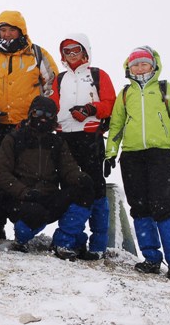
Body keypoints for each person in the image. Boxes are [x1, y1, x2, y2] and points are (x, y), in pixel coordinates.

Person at [0, 10, 59, 240]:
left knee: (26, 174)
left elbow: (53, 85)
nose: (7, 34)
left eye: (12, 29)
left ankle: (22, 224)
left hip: (29, 127)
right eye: (3, 30)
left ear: (21, 31)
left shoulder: (37, 54)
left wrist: (42, 116)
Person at [104, 46, 170, 281]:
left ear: (153, 65)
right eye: (135, 64)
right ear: (128, 68)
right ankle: (151, 258)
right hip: (132, 156)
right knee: (140, 208)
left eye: (144, 63)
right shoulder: (125, 94)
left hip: (162, 155)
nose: (140, 68)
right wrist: (110, 153)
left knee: (164, 208)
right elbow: (116, 126)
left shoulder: (164, 89)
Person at [0, 96, 94, 259]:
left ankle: (64, 242)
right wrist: (24, 192)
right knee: (34, 213)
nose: (42, 118)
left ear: (54, 118)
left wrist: (80, 178)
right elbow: (1, 172)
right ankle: (22, 238)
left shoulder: (57, 142)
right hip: (21, 199)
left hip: (49, 196)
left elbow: (69, 168)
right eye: (38, 112)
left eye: (48, 115)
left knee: (84, 190)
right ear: (30, 113)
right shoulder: (14, 138)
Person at [50, 34, 116, 260]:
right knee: (70, 188)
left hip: (90, 138)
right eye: (66, 51)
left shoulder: (97, 75)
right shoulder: (59, 79)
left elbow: (110, 104)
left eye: (75, 50)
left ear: (85, 51)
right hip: (65, 138)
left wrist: (90, 109)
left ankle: (98, 244)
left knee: (96, 189)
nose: (71, 54)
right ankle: (72, 241)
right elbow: (53, 105)